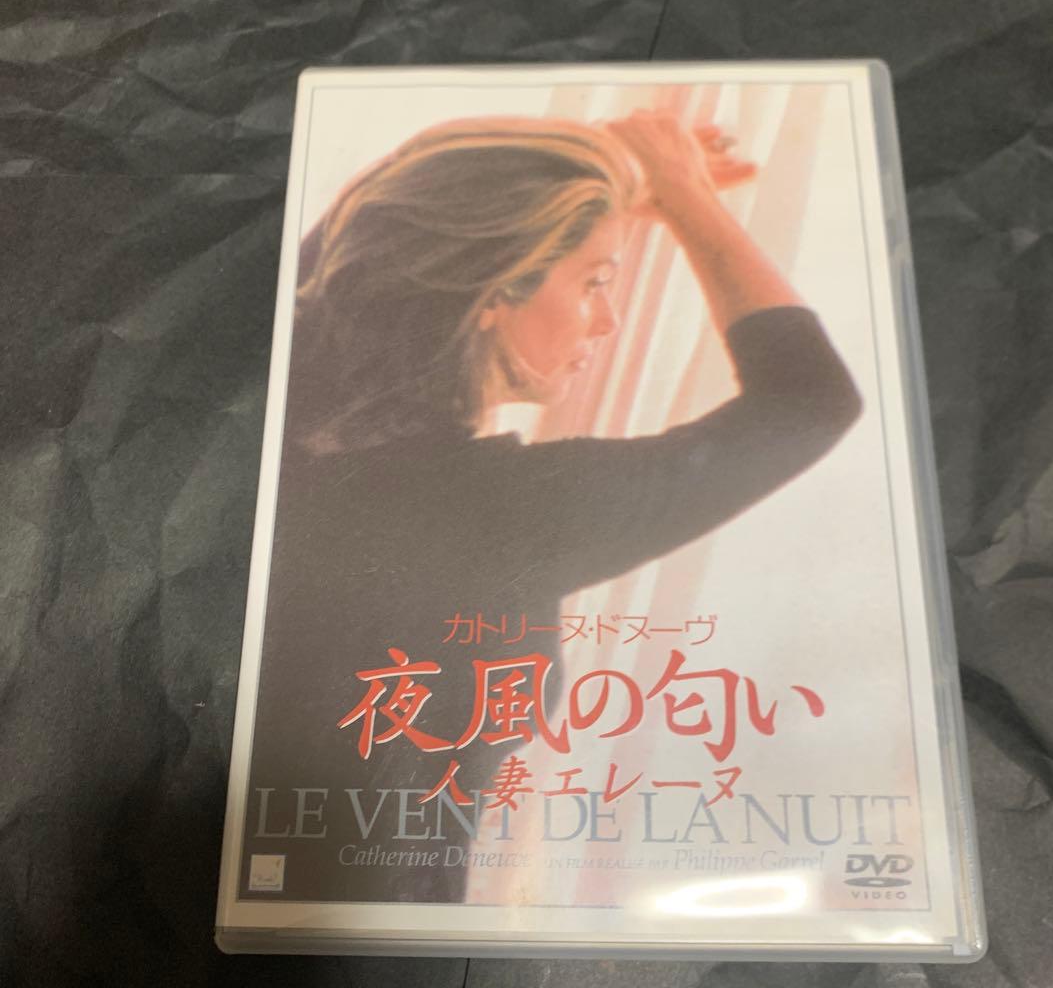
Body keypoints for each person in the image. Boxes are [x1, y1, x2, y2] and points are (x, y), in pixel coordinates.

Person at [242, 111, 862, 904]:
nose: (608, 320)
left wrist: (587, 185)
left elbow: (357, 242)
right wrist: (683, 195)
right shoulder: (510, 510)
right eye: (596, 282)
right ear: (495, 288)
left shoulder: (278, 422)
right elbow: (810, 399)